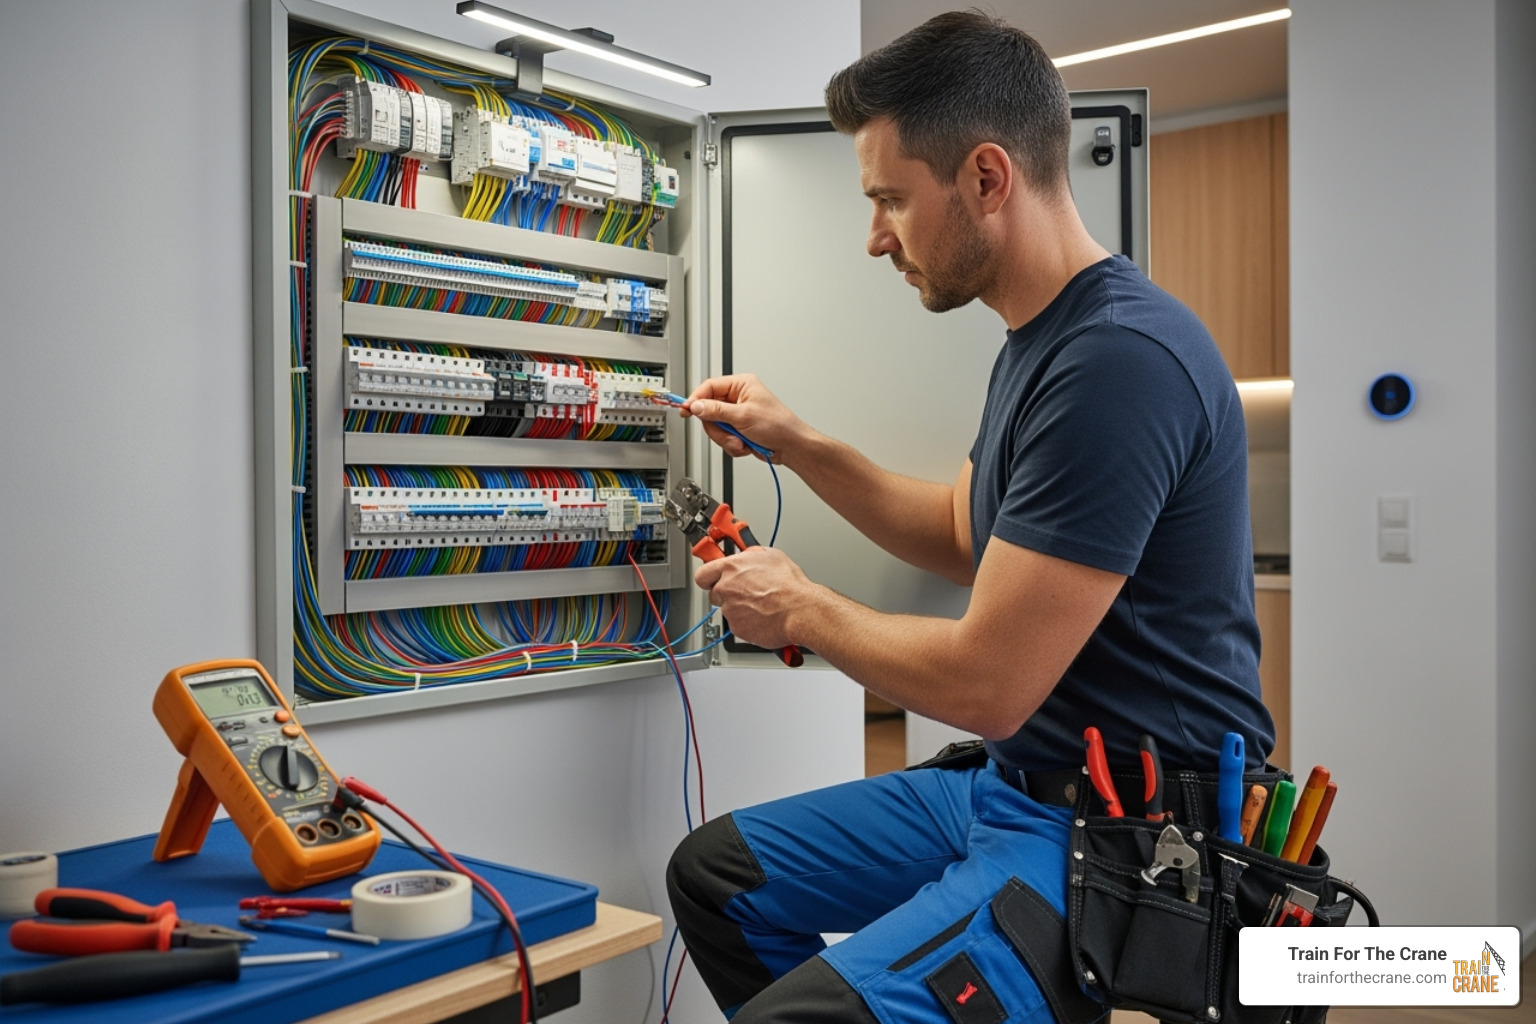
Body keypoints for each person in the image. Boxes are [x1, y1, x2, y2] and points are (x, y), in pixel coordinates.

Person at [666, 11, 1275, 1024]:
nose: (874, 238)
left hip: (1112, 834)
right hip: (1011, 786)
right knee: (717, 876)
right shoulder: (1036, 343)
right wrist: (799, 443)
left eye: (890, 200)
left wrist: (804, 607)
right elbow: (959, 527)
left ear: (988, 179)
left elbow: (990, 684)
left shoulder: (1118, 363)